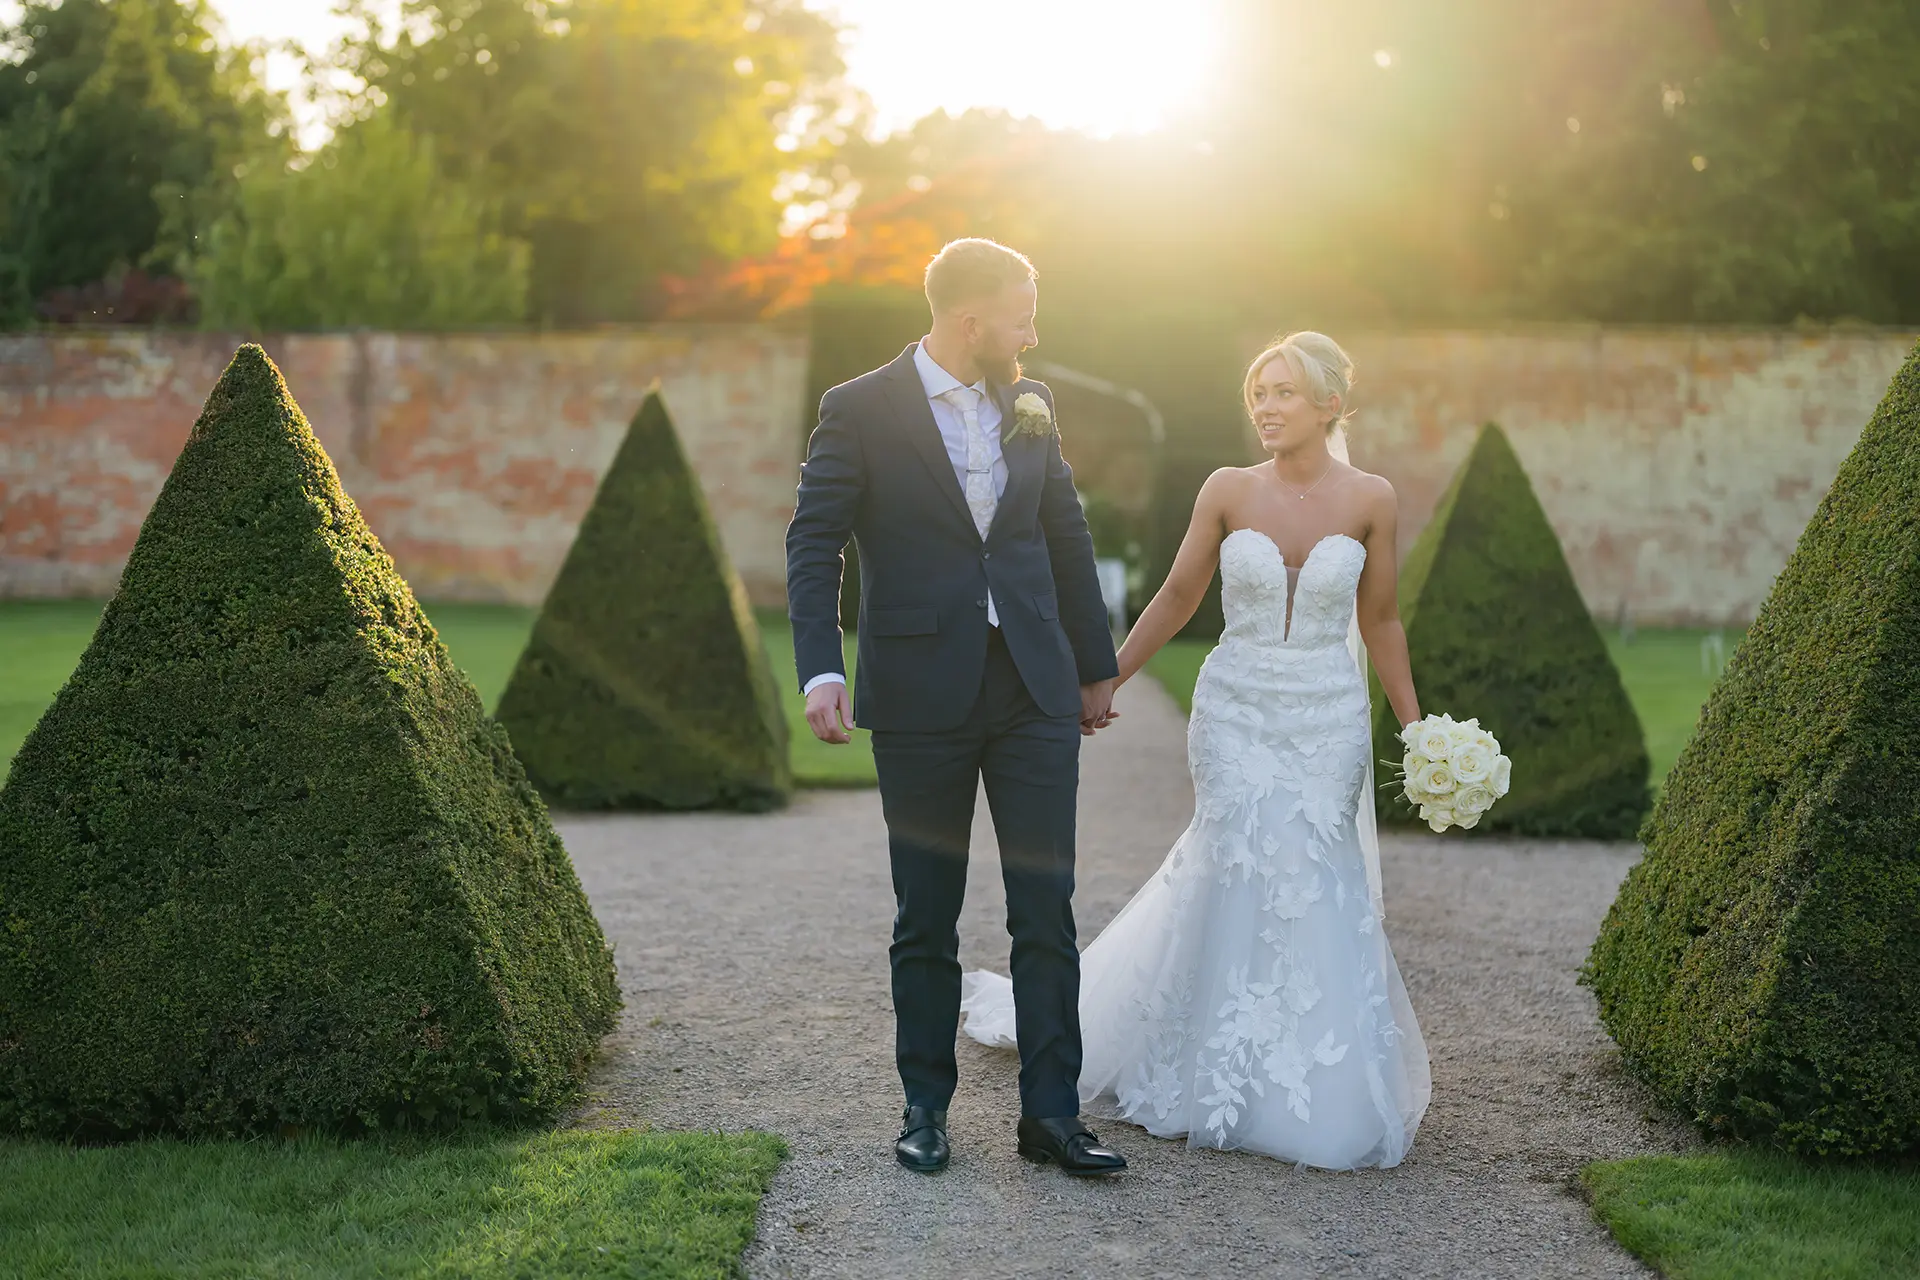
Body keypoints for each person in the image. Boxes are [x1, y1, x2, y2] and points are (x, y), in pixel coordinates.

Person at [961, 332, 1432, 1169]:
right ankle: (1203, 1059)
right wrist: (1107, 679)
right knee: (1236, 856)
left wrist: (1417, 725)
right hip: (1237, 708)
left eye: (1284, 392)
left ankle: (1320, 1077)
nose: (1266, 406)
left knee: (1318, 867)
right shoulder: (1226, 489)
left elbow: (1382, 619)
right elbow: (1179, 594)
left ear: (1329, 403)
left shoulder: (1373, 499)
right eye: (1258, 392)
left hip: (1326, 712)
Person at [786, 238, 1128, 1176]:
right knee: (925, 914)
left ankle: (1051, 1115)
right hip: (919, 694)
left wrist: (1094, 667)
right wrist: (821, 668)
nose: (1033, 331)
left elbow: (1065, 530)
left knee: (1045, 906)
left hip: (1031, 687)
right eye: (1022, 314)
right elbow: (814, 543)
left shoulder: (1033, 403)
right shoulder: (857, 409)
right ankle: (925, 1109)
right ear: (970, 321)